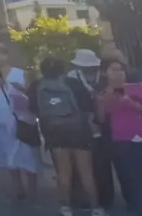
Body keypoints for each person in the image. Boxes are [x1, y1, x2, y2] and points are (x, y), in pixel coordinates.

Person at [29, 57, 104, 216]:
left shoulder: (37, 86)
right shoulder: (72, 83)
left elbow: (33, 109)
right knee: (87, 172)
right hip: (79, 131)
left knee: (63, 173)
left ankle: (65, 207)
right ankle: (96, 207)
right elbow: (87, 106)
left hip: (54, 133)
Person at [98, 56, 142, 215]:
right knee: (128, 176)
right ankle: (136, 207)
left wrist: (133, 104)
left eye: (121, 70)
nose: (119, 73)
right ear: (105, 73)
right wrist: (103, 102)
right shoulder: (103, 94)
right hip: (121, 140)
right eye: (114, 70)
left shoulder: (138, 88)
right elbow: (101, 119)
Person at [0, 42, 39, 202]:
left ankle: (33, 189)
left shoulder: (21, 73)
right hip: (0, 119)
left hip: (21, 119)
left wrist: (22, 89)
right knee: (8, 152)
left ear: (6, 55)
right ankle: (18, 187)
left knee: (27, 153)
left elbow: (32, 96)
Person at [68, 49, 116, 210]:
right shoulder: (70, 79)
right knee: (83, 167)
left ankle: (106, 198)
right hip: (81, 127)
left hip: (105, 125)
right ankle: (84, 199)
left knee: (103, 164)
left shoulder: (104, 78)